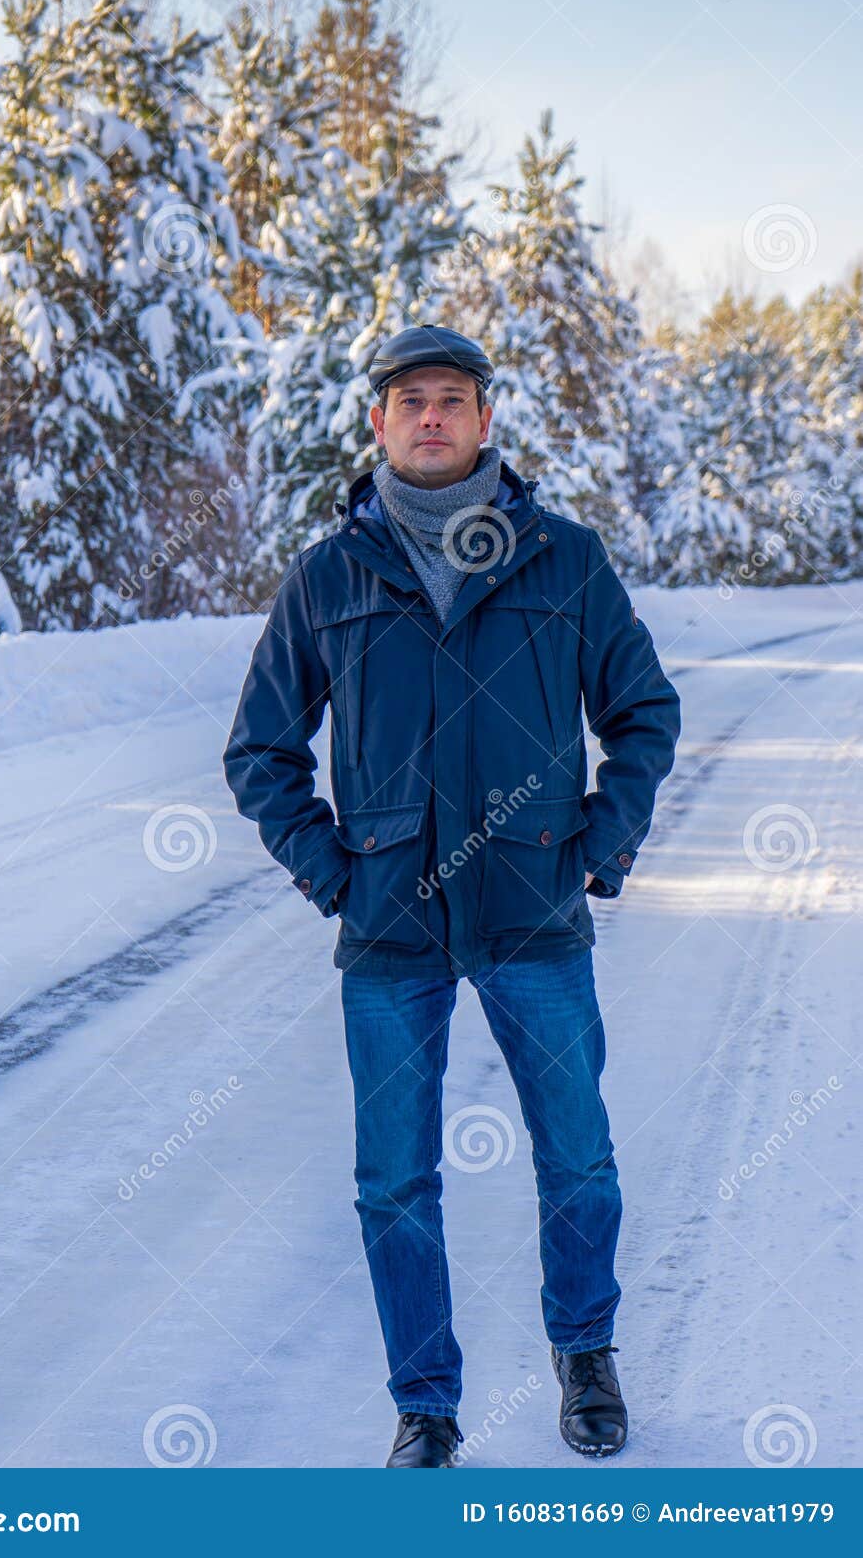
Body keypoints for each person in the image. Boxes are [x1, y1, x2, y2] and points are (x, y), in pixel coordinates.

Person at [222, 325, 681, 1467]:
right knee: (393, 1183)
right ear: (377, 422)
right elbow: (259, 750)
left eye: (451, 399)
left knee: (575, 1154)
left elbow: (642, 714)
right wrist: (335, 871)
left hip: (532, 910)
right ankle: (423, 1406)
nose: (429, 416)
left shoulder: (562, 560)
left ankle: (584, 1353)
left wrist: (595, 845)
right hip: (389, 931)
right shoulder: (329, 576)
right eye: (408, 399)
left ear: (485, 421)